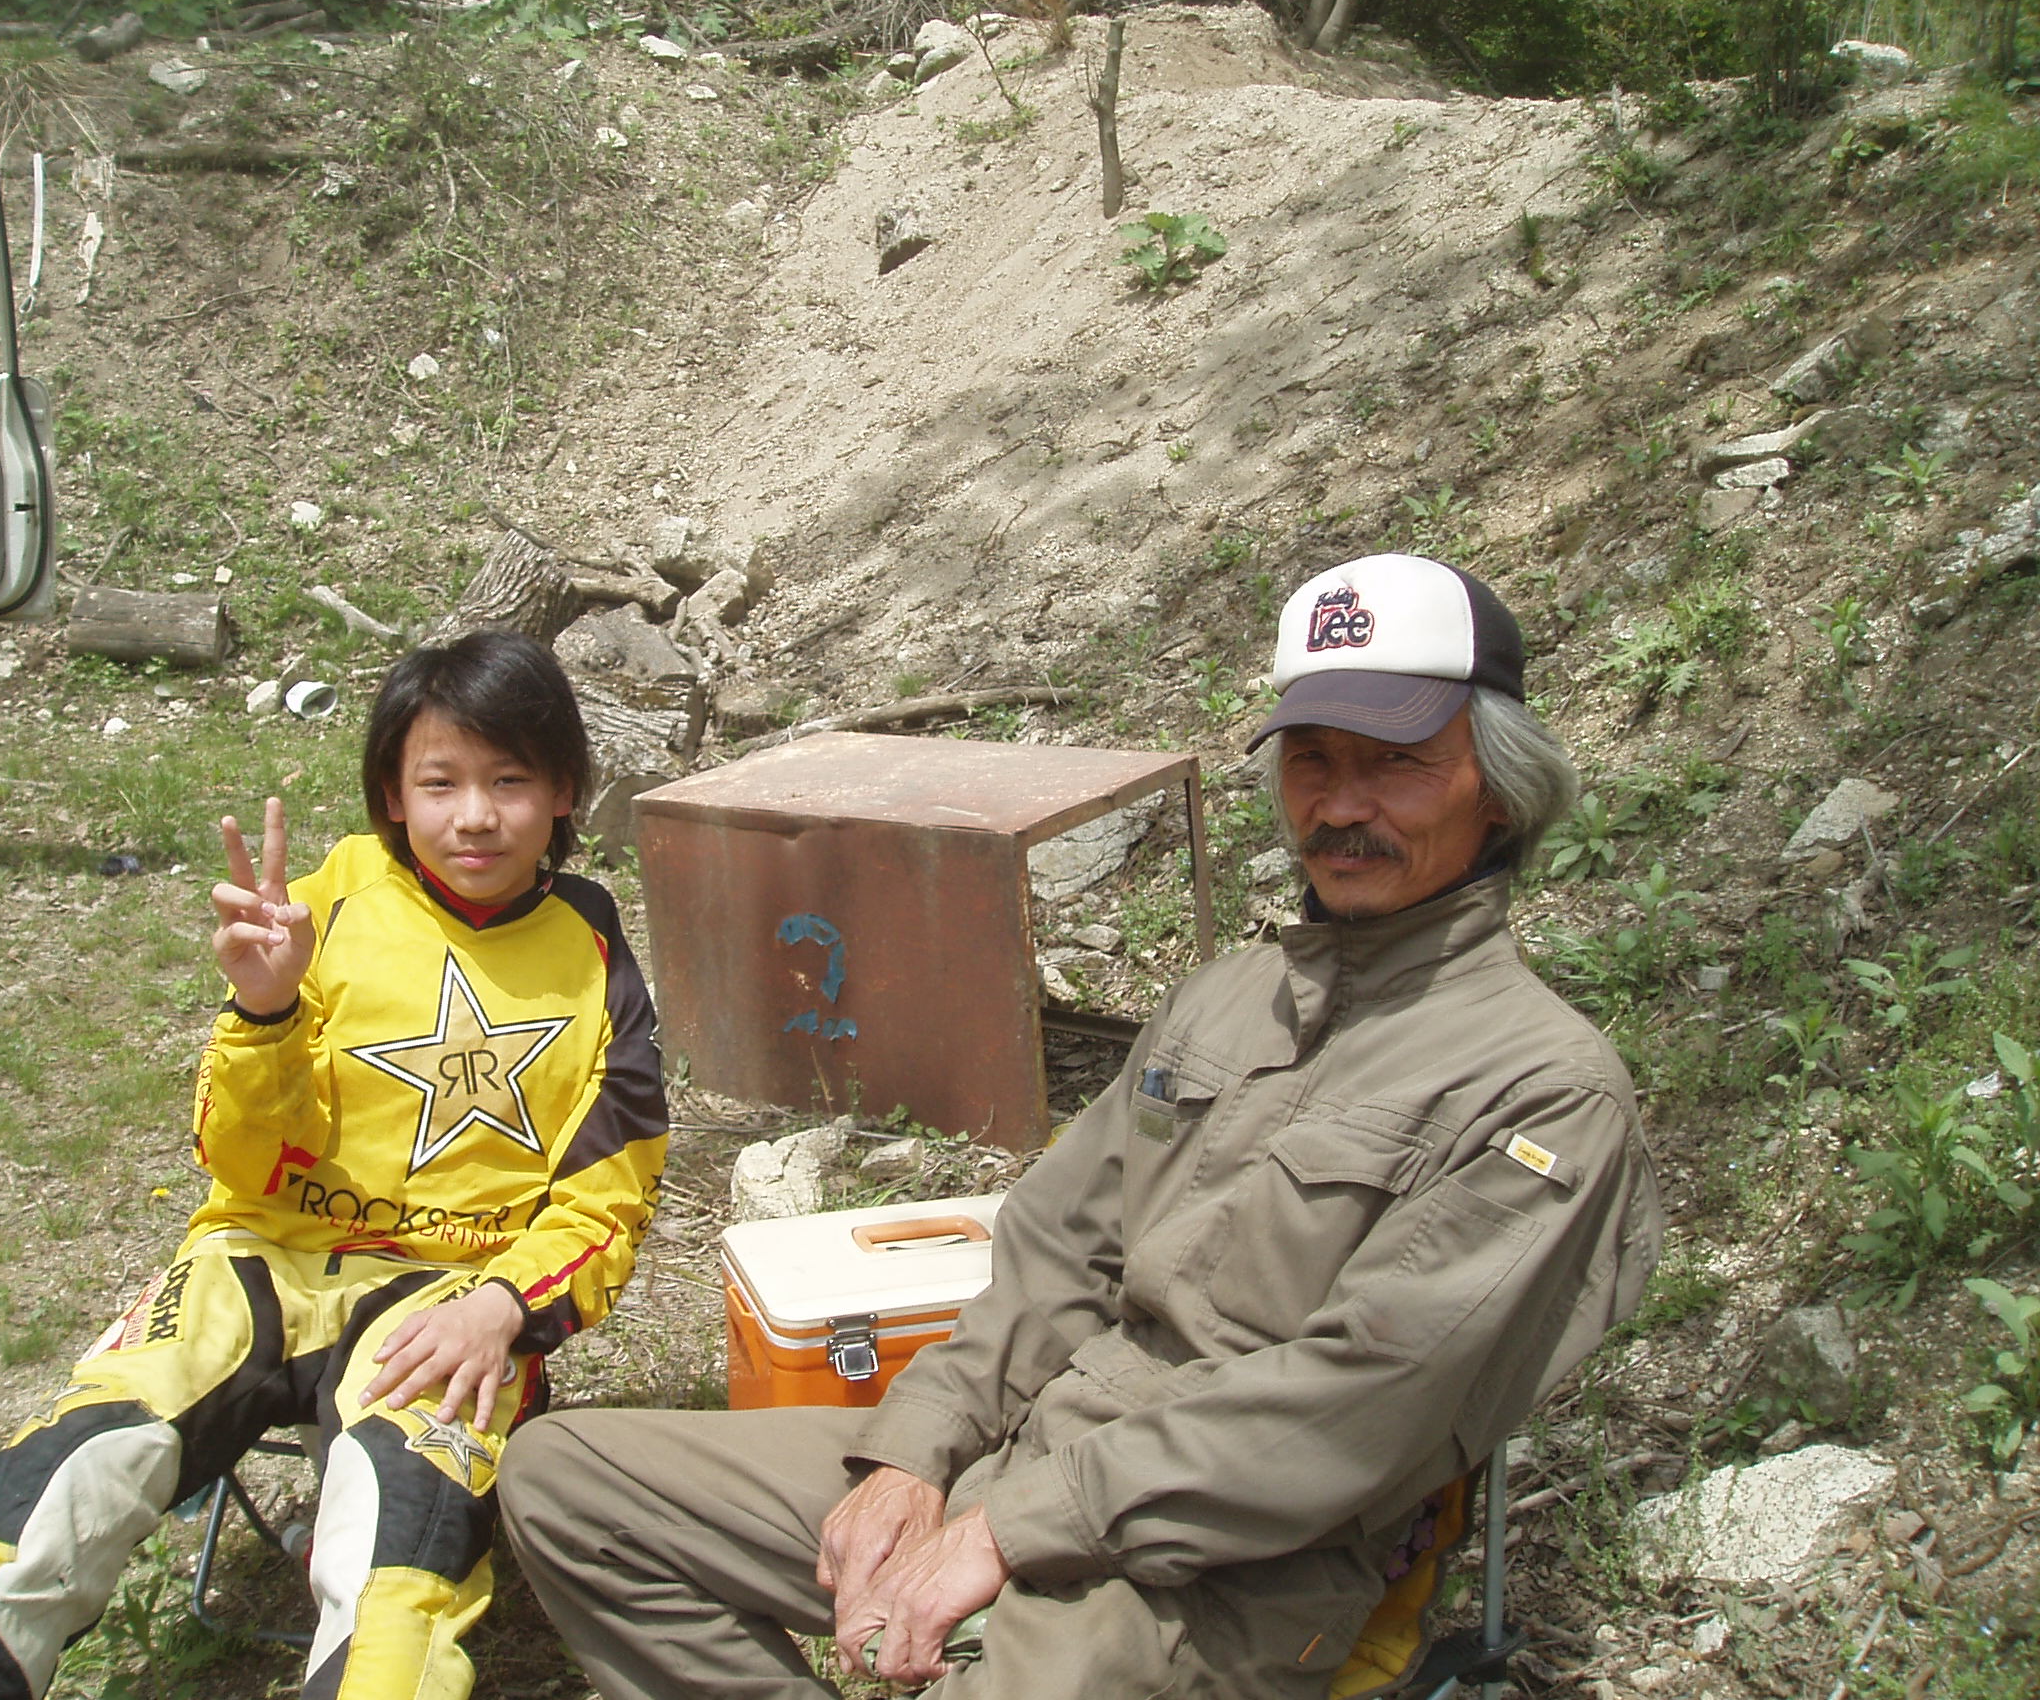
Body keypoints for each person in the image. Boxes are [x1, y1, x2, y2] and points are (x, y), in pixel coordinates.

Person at [499, 553, 1663, 1699]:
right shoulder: (1226, 998)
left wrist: (1007, 1530)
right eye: (1312, 759)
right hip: (1030, 1449)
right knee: (571, 1483)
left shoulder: (1542, 1091)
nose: (1342, 804)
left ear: (1498, 787)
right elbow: (1057, 1251)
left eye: (1396, 764)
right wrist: (914, 1453)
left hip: (1228, 1569)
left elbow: (1353, 1409)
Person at [0, 630, 668, 1700]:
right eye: (440, 783)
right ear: (392, 795)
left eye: (510, 780)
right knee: (62, 1476)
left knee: (396, 1555)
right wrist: (265, 1009)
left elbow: (610, 1193)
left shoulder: (593, 950)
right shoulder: (316, 909)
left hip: (449, 1292)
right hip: (257, 1255)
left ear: (565, 790)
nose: (475, 816)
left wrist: (505, 1305)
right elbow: (239, 1163)